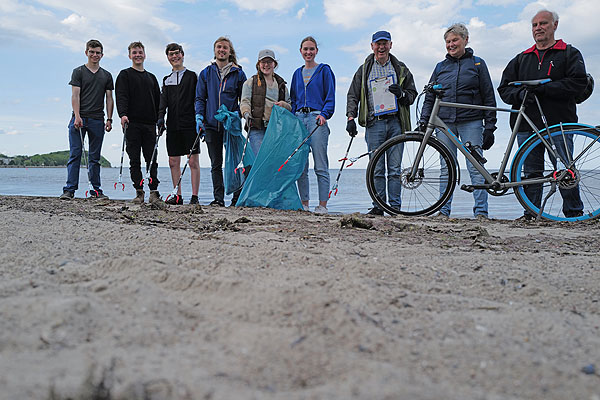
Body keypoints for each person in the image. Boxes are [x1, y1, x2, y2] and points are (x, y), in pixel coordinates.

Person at [498, 9, 588, 220]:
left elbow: (578, 83)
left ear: (555, 25)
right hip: (526, 125)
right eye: (535, 25)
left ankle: (574, 213)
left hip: (559, 122)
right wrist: (521, 94)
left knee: (566, 170)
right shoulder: (522, 58)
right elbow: (504, 89)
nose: (538, 28)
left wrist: (544, 89)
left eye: (543, 24)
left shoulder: (569, 53)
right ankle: (531, 213)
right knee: (531, 172)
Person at [419, 23, 497, 220]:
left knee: (476, 168)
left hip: (471, 121)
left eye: (455, 40)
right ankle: (443, 212)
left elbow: (488, 95)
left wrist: (490, 127)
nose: (451, 44)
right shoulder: (440, 67)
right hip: (444, 122)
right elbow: (430, 96)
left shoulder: (478, 64)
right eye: (448, 41)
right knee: (447, 168)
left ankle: (481, 213)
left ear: (465, 40)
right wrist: (423, 121)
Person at [346, 31, 417, 215]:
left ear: (391, 45)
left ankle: (395, 208)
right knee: (376, 169)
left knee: (394, 170)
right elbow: (353, 95)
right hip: (374, 124)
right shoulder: (364, 69)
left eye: (385, 43)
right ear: (372, 46)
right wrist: (350, 118)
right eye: (378, 44)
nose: (381, 47)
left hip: (396, 123)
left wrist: (401, 94)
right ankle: (379, 206)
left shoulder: (401, 68)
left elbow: (412, 95)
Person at [195, 36, 247, 207]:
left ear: (230, 51)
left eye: (225, 47)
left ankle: (236, 197)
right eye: (219, 47)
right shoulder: (206, 73)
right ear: (215, 50)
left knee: (234, 162)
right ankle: (218, 199)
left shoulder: (238, 73)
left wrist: (235, 114)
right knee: (215, 164)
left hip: (230, 125)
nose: (222, 50)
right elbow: (200, 98)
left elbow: (244, 100)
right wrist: (199, 116)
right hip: (211, 125)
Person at [60, 39, 114, 200]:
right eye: (92, 52)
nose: (94, 55)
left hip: (98, 120)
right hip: (79, 118)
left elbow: (109, 98)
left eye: (97, 52)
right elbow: (75, 95)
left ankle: (96, 190)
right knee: (75, 154)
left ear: (102, 55)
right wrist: (77, 116)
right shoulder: (78, 71)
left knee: (94, 157)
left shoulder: (107, 75)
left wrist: (109, 119)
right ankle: (69, 190)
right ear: (86, 53)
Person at [290, 36, 336, 214]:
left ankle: (322, 205)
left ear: (316, 51)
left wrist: (325, 114)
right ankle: (305, 204)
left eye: (311, 49)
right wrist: (294, 118)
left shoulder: (324, 70)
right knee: (301, 165)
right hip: (300, 119)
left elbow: (330, 97)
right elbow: (293, 100)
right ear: (300, 51)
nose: (308, 52)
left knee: (320, 164)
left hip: (317, 119)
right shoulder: (296, 73)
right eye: (305, 49)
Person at [116, 41, 161, 204]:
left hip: (150, 124)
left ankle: (154, 192)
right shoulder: (124, 75)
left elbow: (159, 101)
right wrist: (123, 115)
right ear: (130, 56)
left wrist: (160, 119)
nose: (137, 55)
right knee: (134, 160)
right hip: (131, 123)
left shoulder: (152, 78)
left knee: (152, 159)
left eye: (140, 52)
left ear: (145, 55)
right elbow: (121, 96)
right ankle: (139, 191)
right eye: (134, 52)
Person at [157, 43, 200, 205]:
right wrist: (160, 118)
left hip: (190, 124)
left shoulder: (192, 76)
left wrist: (199, 119)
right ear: (168, 58)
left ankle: (195, 197)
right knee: (173, 161)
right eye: (171, 54)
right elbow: (163, 103)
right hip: (172, 125)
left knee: (192, 161)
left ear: (182, 55)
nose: (174, 57)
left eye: (177, 53)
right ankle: (177, 195)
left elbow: (198, 99)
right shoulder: (166, 80)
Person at [240, 49, 292, 156]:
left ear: (274, 64)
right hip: (256, 128)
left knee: (273, 161)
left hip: (275, 130)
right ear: (258, 64)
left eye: (269, 62)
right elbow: (244, 102)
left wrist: (283, 105)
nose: (266, 65)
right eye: (263, 62)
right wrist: (246, 114)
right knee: (261, 159)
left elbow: (289, 105)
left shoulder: (282, 85)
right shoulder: (250, 83)